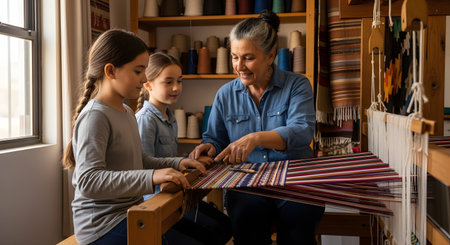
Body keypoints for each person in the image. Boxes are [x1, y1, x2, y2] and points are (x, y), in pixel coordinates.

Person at [190, 10, 325, 245]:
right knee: (246, 223)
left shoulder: (297, 85)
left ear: (271, 55)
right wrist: (208, 147)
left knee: (298, 228)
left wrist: (256, 138)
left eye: (248, 58)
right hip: (247, 183)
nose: (239, 66)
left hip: (295, 180)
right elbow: (215, 138)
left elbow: (302, 131)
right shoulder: (225, 94)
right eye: (234, 57)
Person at [62, 30, 207, 245]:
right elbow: (87, 181)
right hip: (102, 226)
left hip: (130, 212)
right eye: (139, 71)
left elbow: (142, 160)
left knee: (208, 235)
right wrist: (151, 177)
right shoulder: (95, 116)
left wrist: (178, 162)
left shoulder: (126, 111)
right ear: (110, 71)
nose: (145, 78)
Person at [135, 52, 232, 245]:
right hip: (156, 203)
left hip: (173, 197)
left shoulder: (170, 119)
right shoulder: (146, 120)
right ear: (148, 84)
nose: (176, 88)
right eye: (168, 82)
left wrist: (191, 159)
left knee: (224, 226)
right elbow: (143, 167)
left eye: (179, 81)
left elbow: (167, 158)